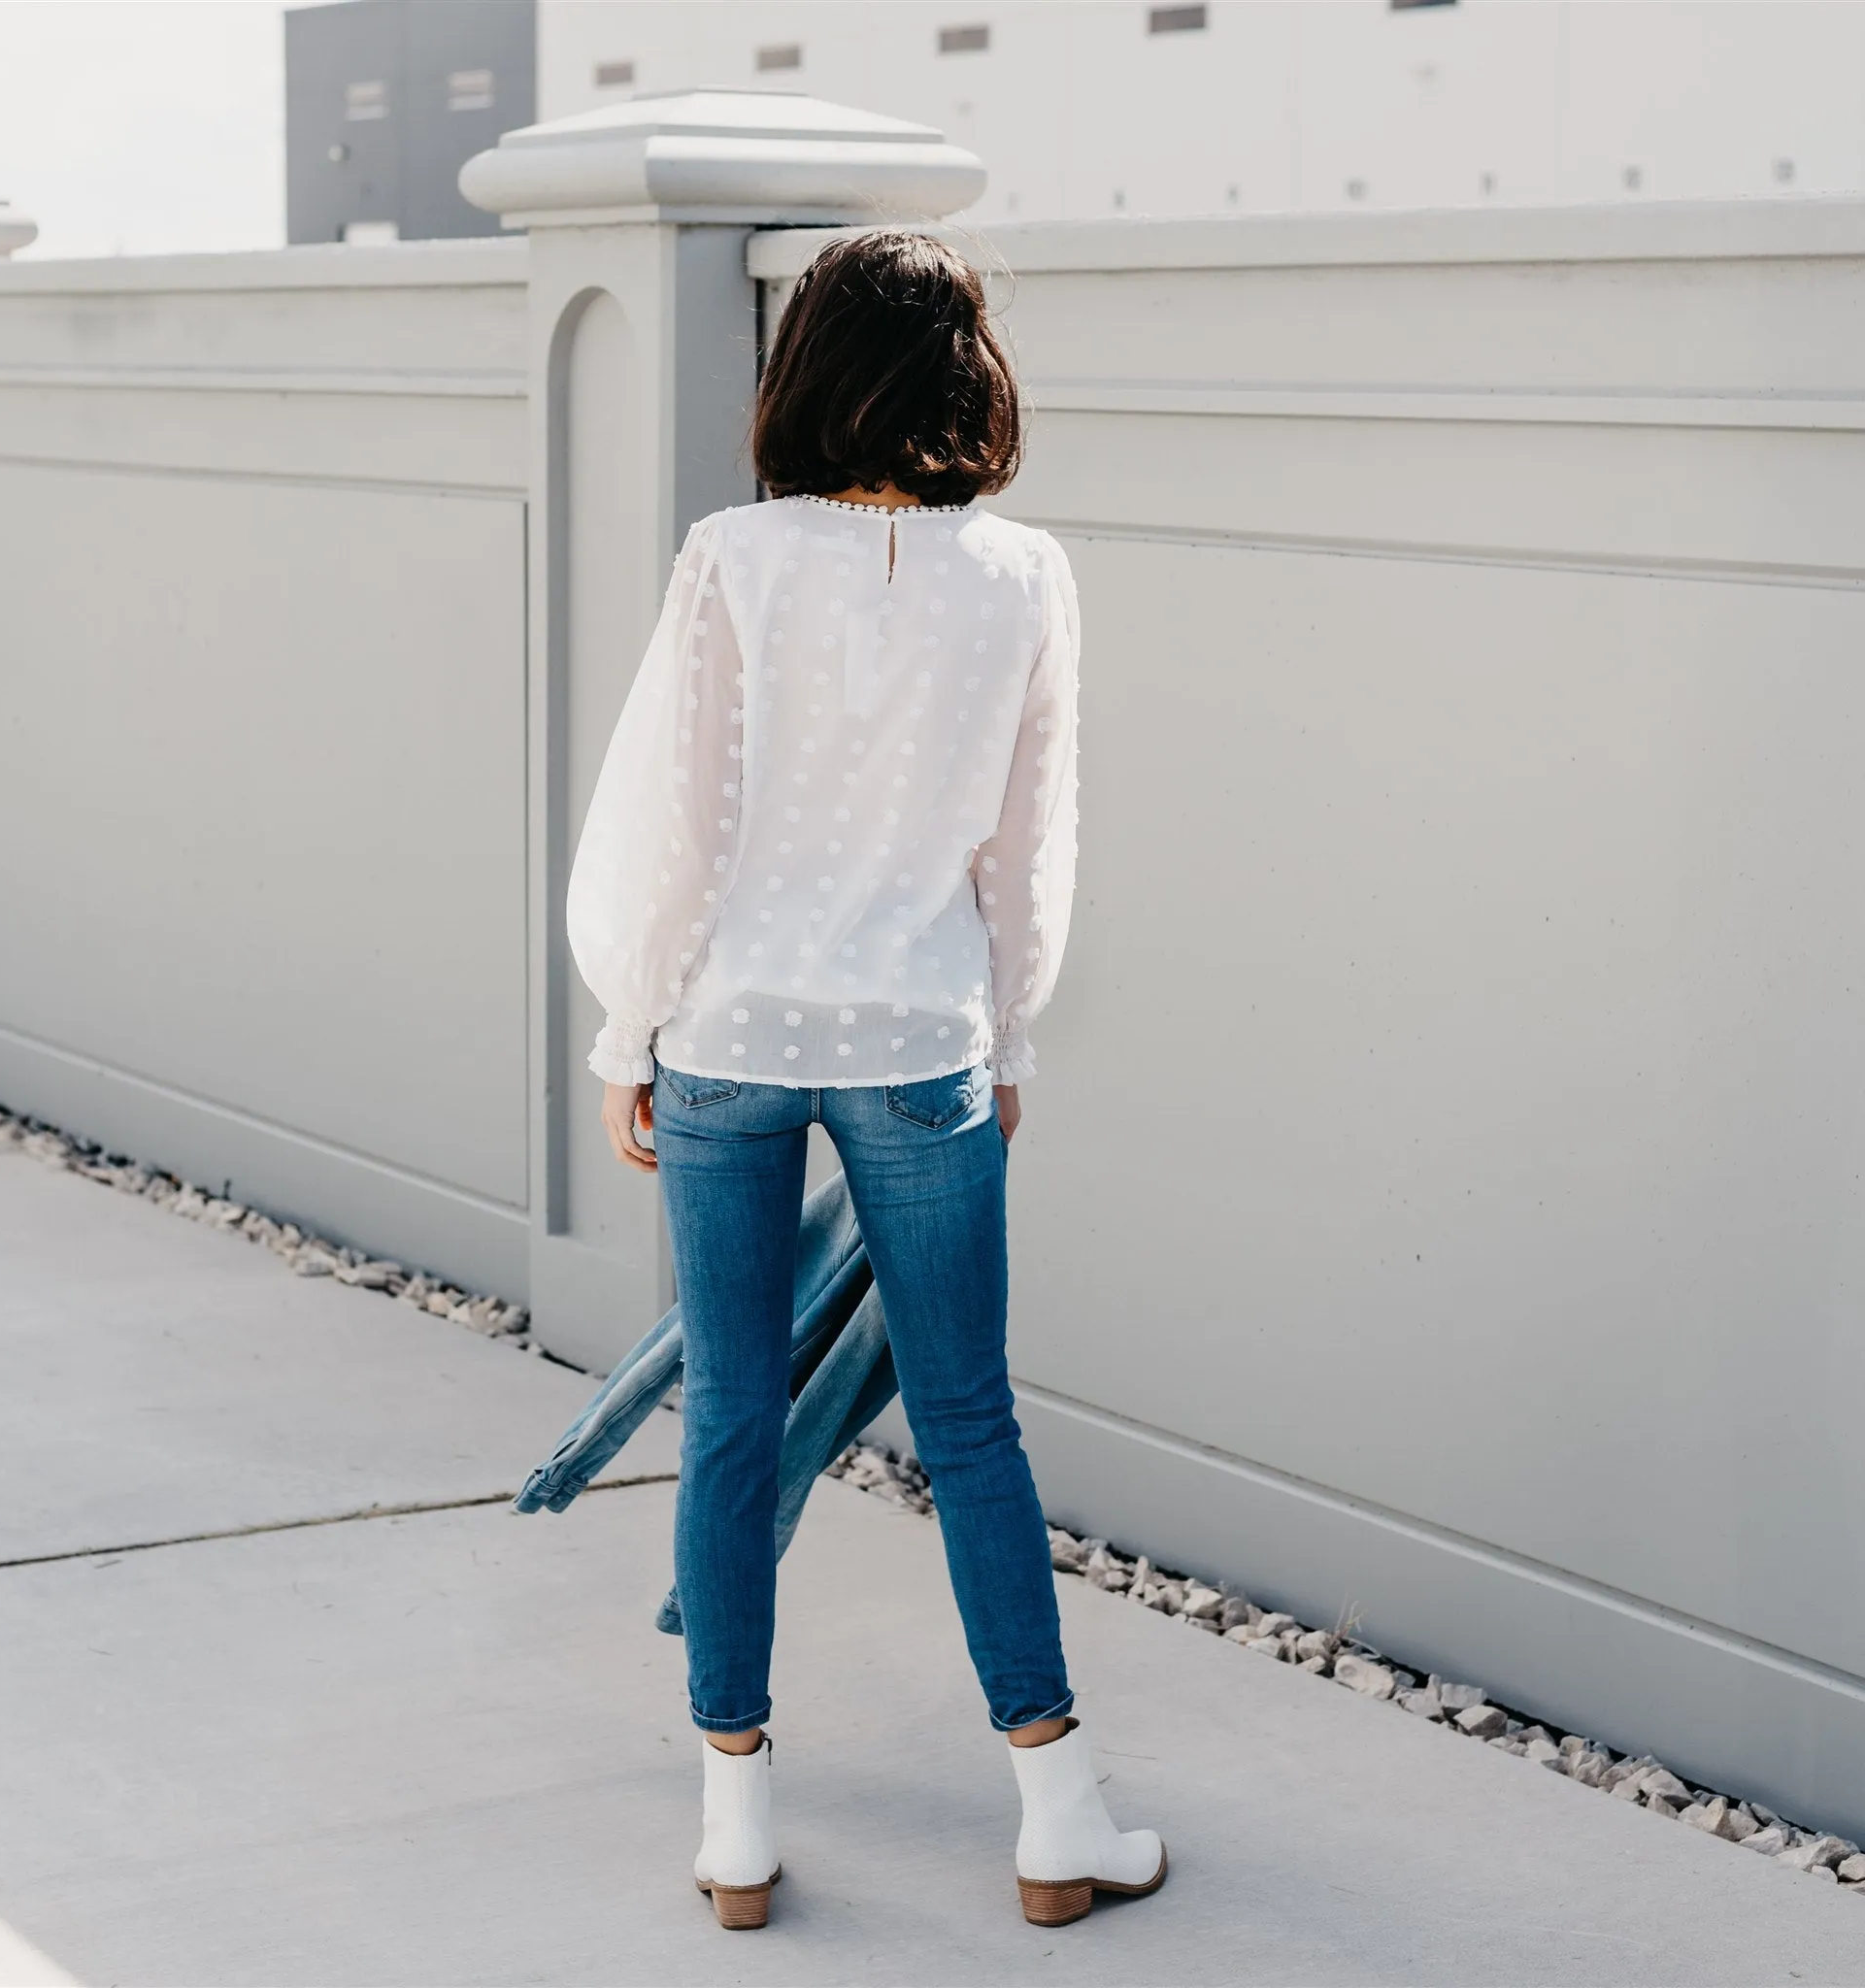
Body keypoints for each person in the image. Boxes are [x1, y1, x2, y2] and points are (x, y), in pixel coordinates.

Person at [565, 228, 1165, 1932]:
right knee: (969, 1422)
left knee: (732, 1419)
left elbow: (674, 821)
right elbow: (1027, 855)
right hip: (923, 1053)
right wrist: (1012, 1037)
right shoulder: (1027, 575)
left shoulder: (733, 558)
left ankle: (736, 1824)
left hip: (729, 1047)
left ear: (806, 372)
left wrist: (629, 1033)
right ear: (969, 374)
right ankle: (1059, 1813)